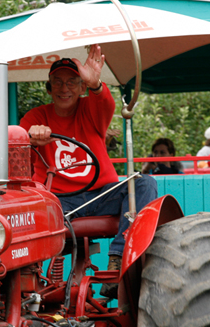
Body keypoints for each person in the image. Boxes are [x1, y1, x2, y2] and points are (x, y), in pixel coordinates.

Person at [19, 45, 157, 299]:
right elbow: (20, 160)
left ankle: (118, 260)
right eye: (57, 83)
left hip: (100, 195)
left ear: (82, 89)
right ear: (49, 88)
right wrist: (31, 138)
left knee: (144, 183)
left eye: (73, 82)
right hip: (60, 203)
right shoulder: (34, 117)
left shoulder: (91, 110)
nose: (64, 88)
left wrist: (96, 84)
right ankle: (31, 285)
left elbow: (105, 103)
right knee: (24, 211)